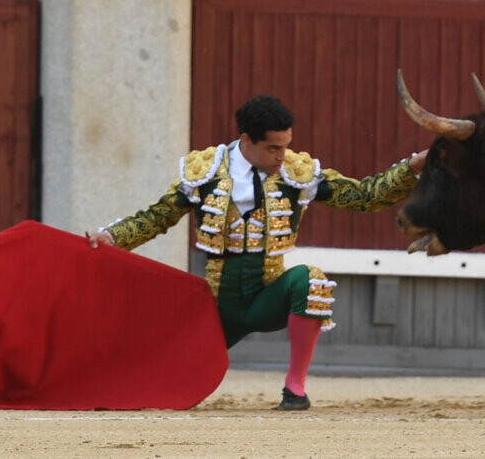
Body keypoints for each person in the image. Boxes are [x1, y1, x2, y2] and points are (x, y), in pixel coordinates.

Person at [88, 95, 426, 410]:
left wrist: (412, 166)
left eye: (285, 147)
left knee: (311, 281)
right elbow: (157, 216)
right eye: (273, 148)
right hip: (218, 306)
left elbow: (364, 196)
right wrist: (113, 236)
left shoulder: (296, 174)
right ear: (246, 140)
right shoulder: (203, 172)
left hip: (268, 296)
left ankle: (295, 389)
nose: (281, 157)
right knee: (154, 383)